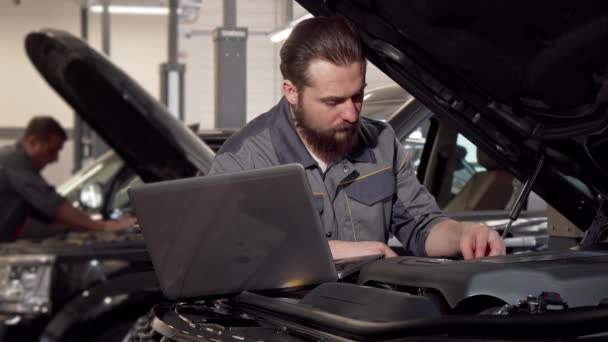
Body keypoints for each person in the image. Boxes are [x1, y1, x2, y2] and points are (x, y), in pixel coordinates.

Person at [210, 16, 505, 260]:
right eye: (334, 101)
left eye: (358, 96)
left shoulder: (382, 144)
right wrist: (342, 252)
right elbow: (227, 254)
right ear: (292, 92)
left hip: (368, 317)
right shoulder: (245, 161)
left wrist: (463, 234)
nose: (352, 114)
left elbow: (422, 226)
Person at [0, 116, 135, 241]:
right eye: (52, 151)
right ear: (33, 142)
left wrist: (83, 225)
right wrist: (102, 227)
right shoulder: (13, 161)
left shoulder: (12, 161)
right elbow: (51, 204)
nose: (55, 159)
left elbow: (47, 215)